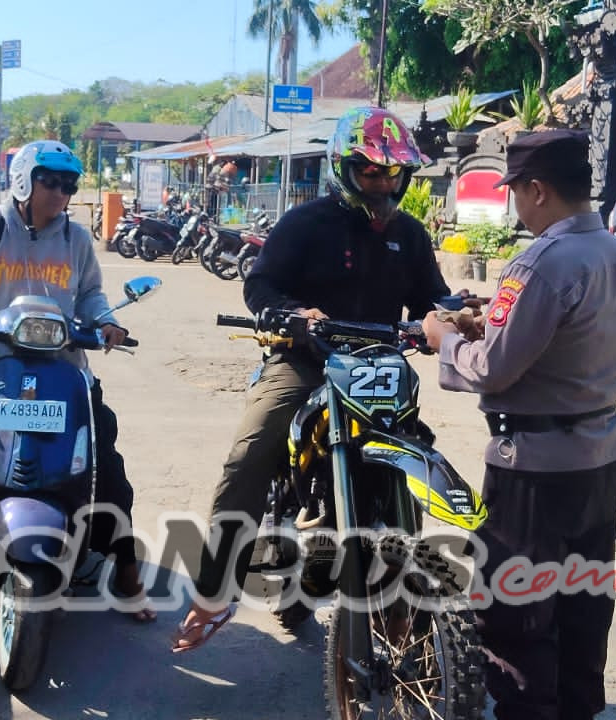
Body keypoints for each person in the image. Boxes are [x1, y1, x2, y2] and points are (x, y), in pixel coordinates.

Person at [171, 106, 451, 652]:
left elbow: (430, 298)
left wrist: (449, 313)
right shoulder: (306, 224)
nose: (382, 183)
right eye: (370, 171)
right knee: (249, 453)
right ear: (343, 169)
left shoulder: (410, 235)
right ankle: (214, 592)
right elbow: (262, 285)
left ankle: (402, 599)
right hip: (304, 362)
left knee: (414, 454)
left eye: (392, 173)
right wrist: (293, 316)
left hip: (377, 369)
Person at [419, 129, 616, 720]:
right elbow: (570, 339)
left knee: (515, 611)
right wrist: (488, 329)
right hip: (600, 454)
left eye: (516, 191)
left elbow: (495, 370)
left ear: (538, 190)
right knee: (583, 598)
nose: (515, 204)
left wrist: (445, 341)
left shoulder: (541, 261)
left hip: (536, 466)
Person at [0, 139, 156, 624]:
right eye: (50, 181)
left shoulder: (76, 240)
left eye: (68, 185)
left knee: (110, 476)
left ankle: (126, 573)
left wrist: (106, 322)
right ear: (24, 179)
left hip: (66, 373)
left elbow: (93, 294)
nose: (60, 192)